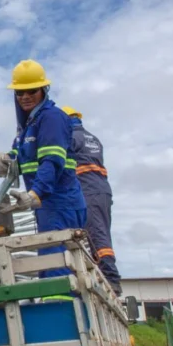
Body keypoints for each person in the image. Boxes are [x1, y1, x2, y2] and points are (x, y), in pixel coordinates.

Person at [0, 59, 86, 278]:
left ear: (44, 90)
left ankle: (59, 310)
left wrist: (35, 194)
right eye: (19, 92)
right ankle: (55, 305)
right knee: (49, 264)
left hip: (60, 203)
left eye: (31, 90)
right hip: (48, 204)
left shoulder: (51, 118)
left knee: (57, 270)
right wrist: (6, 158)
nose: (24, 97)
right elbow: (23, 154)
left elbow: (51, 161)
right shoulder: (30, 124)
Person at [62, 106, 122, 295]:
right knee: (100, 232)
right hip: (102, 190)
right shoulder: (92, 138)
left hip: (88, 190)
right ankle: (104, 273)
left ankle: (111, 278)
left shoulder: (71, 138)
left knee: (97, 235)